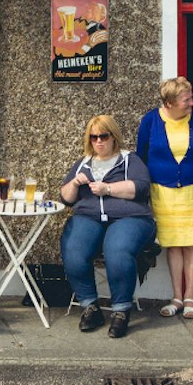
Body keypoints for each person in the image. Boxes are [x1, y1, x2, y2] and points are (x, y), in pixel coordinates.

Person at [59, 115, 155, 339]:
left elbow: (140, 188)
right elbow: (66, 198)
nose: (99, 142)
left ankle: (121, 311)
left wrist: (108, 189)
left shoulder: (129, 159)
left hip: (130, 217)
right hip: (89, 217)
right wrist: (74, 182)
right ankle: (90, 307)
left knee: (117, 249)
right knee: (74, 249)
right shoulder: (84, 163)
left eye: (104, 136)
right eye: (94, 137)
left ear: (114, 137)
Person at [135, 76, 193, 319]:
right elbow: (141, 156)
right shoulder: (151, 120)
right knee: (173, 243)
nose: (191, 103)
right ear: (169, 103)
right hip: (163, 192)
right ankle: (176, 297)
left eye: (190, 98)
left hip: (192, 190)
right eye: (185, 100)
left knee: (191, 242)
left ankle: (190, 296)